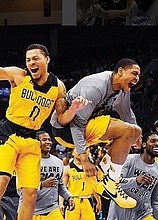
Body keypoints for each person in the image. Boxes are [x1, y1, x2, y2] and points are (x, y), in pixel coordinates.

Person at [0, 25, 90, 220]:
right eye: (28, 60)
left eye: (35, 58)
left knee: (30, 193)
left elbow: (62, 118)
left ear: (47, 59)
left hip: (32, 139)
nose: (31, 63)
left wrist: (74, 109)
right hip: (9, 134)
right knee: (1, 180)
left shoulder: (58, 86)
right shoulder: (19, 76)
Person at [51, 58, 142, 209]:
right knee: (129, 131)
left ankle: (105, 175)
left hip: (88, 127)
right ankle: (110, 182)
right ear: (120, 71)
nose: (137, 78)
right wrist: (84, 160)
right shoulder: (96, 86)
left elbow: (127, 114)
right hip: (65, 130)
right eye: (134, 73)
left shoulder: (123, 89)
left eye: (139, 75)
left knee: (133, 131)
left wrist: (136, 137)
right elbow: (76, 125)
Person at [18, 130, 75, 220]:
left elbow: (60, 185)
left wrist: (69, 197)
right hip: (30, 210)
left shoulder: (58, 162)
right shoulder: (26, 162)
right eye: (44, 140)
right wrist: (42, 184)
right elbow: (20, 190)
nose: (48, 142)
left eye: (49, 140)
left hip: (52, 209)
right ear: (36, 142)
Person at [107, 131, 158, 220]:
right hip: (120, 212)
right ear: (144, 144)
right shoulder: (129, 159)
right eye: (153, 141)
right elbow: (113, 183)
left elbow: (155, 200)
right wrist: (135, 181)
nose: (157, 144)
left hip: (143, 213)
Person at [62, 148, 102, 220]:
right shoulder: (67, 169)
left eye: (84, 151)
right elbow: (62, 188)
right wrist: (61, 203)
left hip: (88, 199)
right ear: (73, 153)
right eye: (77, 150)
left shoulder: (92, 168)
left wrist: (99, 201)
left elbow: (95, 187)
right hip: (73, 200)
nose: (80, 153)